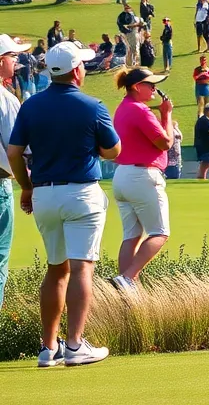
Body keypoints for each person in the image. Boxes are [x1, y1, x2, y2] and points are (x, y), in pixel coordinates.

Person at [8, 40, 119, 367]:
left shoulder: (30, 105)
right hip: (81, 194)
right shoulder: (92, 105)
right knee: (81, 268)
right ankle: (74, 345)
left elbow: (14, 153)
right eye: (82, 64)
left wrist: (25, 187)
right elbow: (114, 150)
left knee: (56, 270)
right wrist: (96, 149)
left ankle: (48, 349)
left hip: (43, 194)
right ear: (75, 70)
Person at [110, 66, 174, 291]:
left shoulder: (123, 108)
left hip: (122, 176)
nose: (155, 88)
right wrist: (166, 114)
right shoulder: (141, 110)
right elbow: (166, 142)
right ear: (137, 87)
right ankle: (127, 278)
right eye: (151, 84)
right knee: (160, 232)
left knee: (132, 235)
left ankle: (125, 290)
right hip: (142, 175)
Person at [0, 34, 32, 309]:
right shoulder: (6, 99)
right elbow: (16, 148)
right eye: (12, 56)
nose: (16, 60)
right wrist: (27, 186)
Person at [117, 2, 140, 69]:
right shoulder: (124, 16)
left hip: (133, 33)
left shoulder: (131, 14)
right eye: (127, 7)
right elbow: (126, 26)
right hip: (129, 34)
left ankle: (132, 64)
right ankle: (132, 65)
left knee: (133, 49)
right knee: (132, 49)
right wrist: (137, 24)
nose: (128, 8)